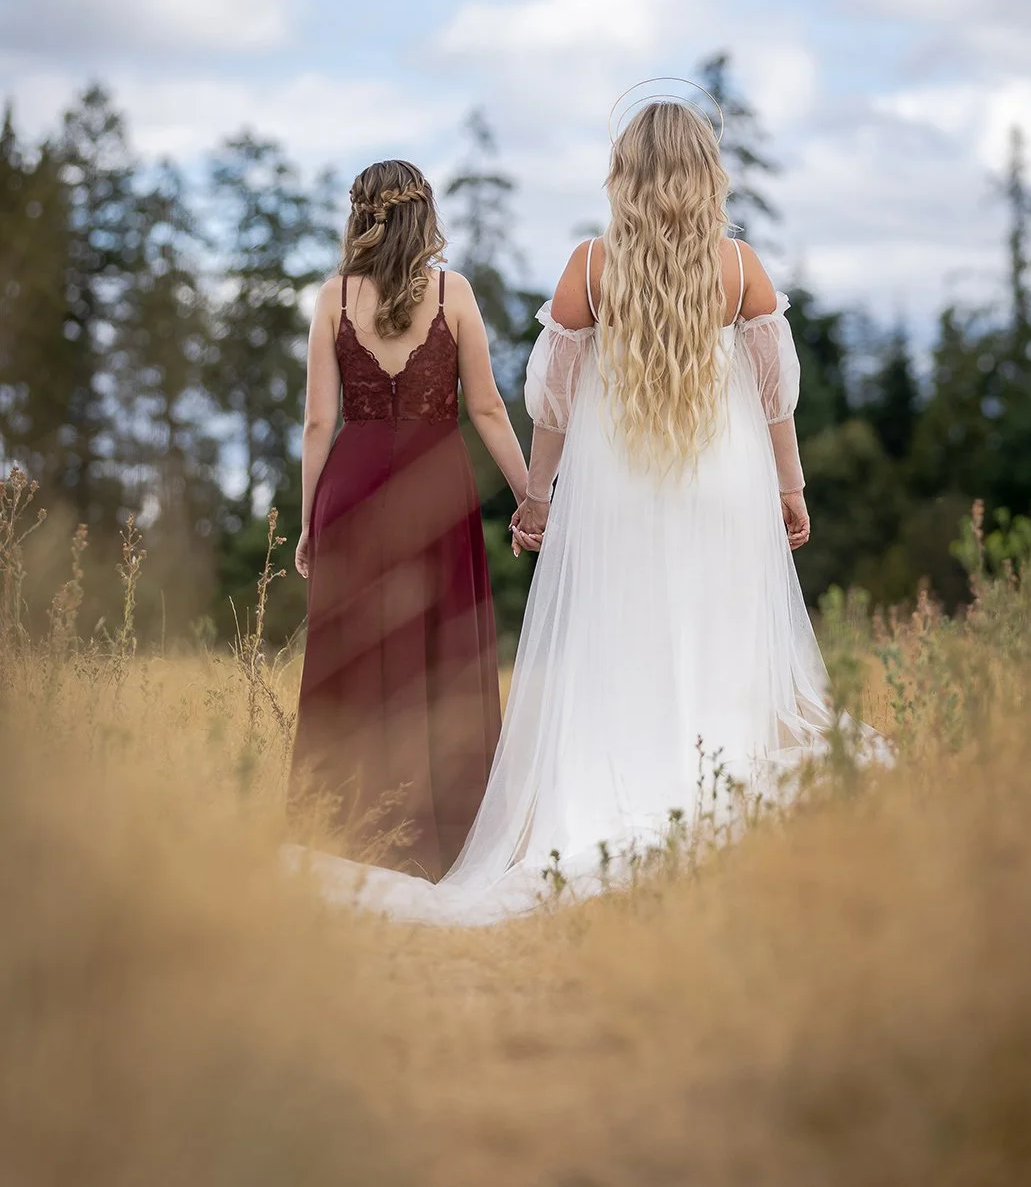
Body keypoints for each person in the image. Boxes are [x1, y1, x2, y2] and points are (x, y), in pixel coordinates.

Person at [293, 100, 874, 924]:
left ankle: (625, 791)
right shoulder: (741, 267)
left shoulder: (591, 267)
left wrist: (541, 494)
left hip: (622, 484)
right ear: (706, 171)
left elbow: (550, 400)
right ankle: (714, 801)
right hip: (722, 482)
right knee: (718, 633)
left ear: (624, 175)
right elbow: (777, 396)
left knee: (620, 638)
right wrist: (790, 486)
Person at [289, 160, 528, 879]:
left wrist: (308, 522)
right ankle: (445, 840)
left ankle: (348, 832)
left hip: (352, 490)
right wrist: (529, 496)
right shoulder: (454, 294)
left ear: (358, 216)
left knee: (356, 660)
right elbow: (486, 407)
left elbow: (316, 423)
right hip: (436, 489)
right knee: (441, 655)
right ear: (424, 215)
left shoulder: (334, 297)